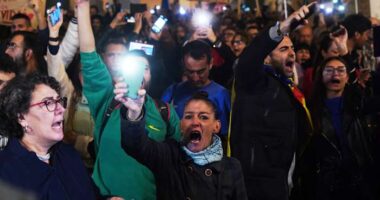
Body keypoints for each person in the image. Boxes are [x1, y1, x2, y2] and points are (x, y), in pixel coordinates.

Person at [77, 0, 181, 198]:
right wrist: (82, 8)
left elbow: (175, 161)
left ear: (152, 75)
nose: (139, 74)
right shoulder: (107, 101)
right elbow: (89, 56)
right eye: (133, 67)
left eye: (146, 68)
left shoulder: (165, 112)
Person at [229, 4, 314, 200]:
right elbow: (247, 61)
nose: (292, 53)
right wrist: (280, 30)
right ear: (266, 59)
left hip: (284, 181)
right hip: (258, 185)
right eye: (283, 49)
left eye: (292, 48)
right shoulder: (254, 82)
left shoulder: (289, 87)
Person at [116, 89, 247, 200]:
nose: (195, 122)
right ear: (181, 125)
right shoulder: (169, 155)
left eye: (204, 117)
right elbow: (135, 145)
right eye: (189, 117)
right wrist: (134, 114)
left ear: (216, 126)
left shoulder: (232, 167)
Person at [0, 74, 96, 199]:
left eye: (59, 101)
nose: (61, 109)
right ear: (22, 117)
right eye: (48, 103)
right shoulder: (5, 173)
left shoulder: (69, 154)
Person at [308, 56, 377, 200]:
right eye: (329, 70)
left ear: (347, 78)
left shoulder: (359, 104)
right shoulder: (311, 110)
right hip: (329, 185)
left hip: (360, 180)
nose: (335, 74)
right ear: (320, 76)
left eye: (340, 70)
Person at [161, 40, 231, 138]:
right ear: (183, 65)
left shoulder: (221, 95)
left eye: (200, 72)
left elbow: (224, 135)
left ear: (210, 63)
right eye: (190, 71)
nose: (195, 78)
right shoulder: (173, 91)